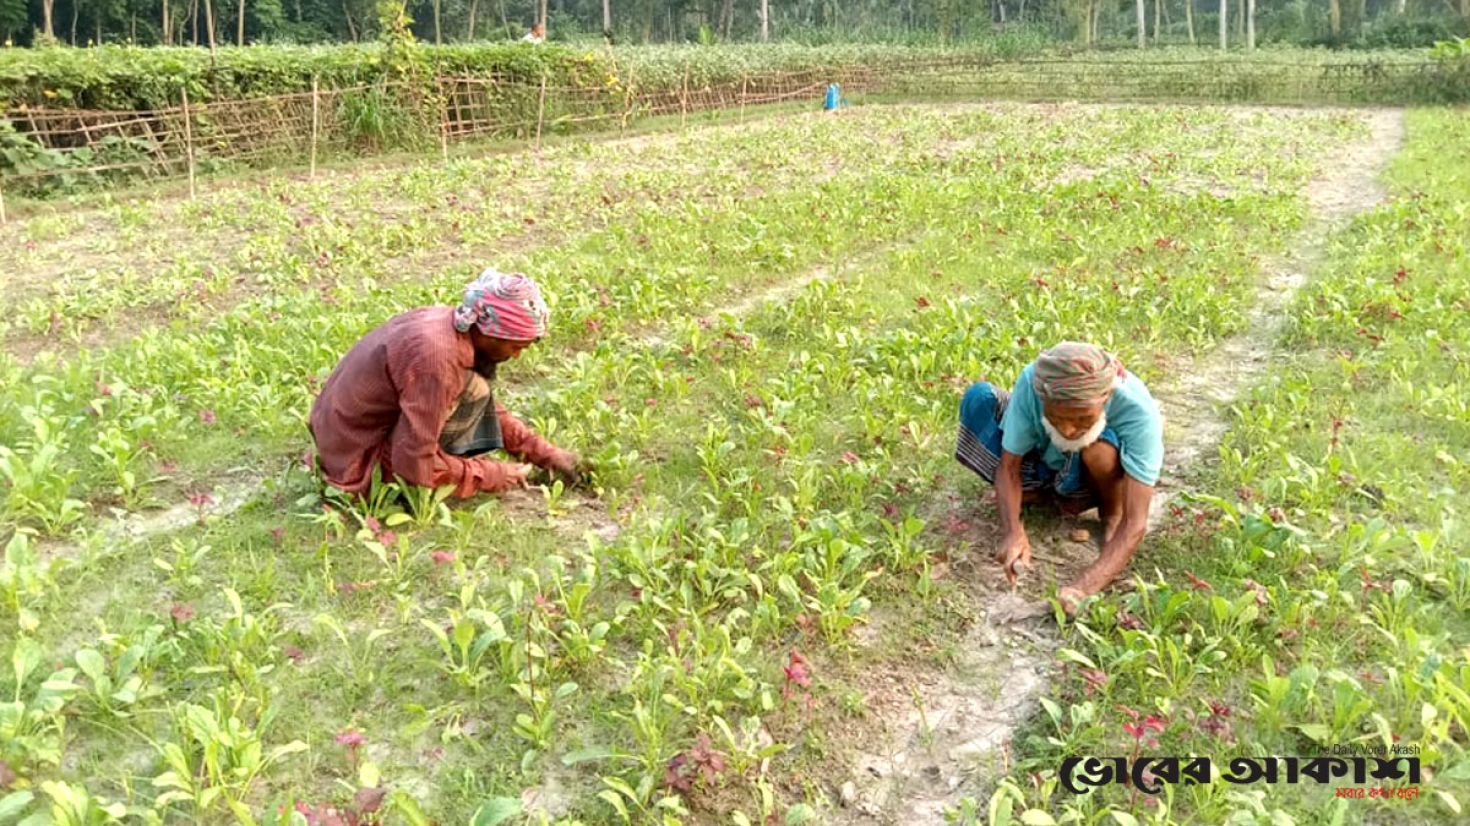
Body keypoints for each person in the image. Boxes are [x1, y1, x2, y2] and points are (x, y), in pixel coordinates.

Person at [309, 270, 586, 500]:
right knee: (462, 409)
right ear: (489, 332)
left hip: (339, 431)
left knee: (476, 391)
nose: (515, 356)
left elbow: (477, 401)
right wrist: (491, 474)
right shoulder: (438, 361)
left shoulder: (451, 325)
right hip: (354, 455)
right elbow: (413, 463)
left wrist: (541, 451)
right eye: (515, 346)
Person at [955, 342, 1163, 615]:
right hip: (1047, 457)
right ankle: (1042, 492)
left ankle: (1111, 510)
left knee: (1099, 451)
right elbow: (1009, 467)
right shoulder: (1033, 383)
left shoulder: (1139, 412)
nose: (1066, 429)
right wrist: (1012, 531)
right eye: (1055, 416)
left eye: (1081, 418)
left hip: (1091, 473)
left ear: (1106, 396)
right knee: (980, 399)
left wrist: (1083, 588)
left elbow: (1136, 524)